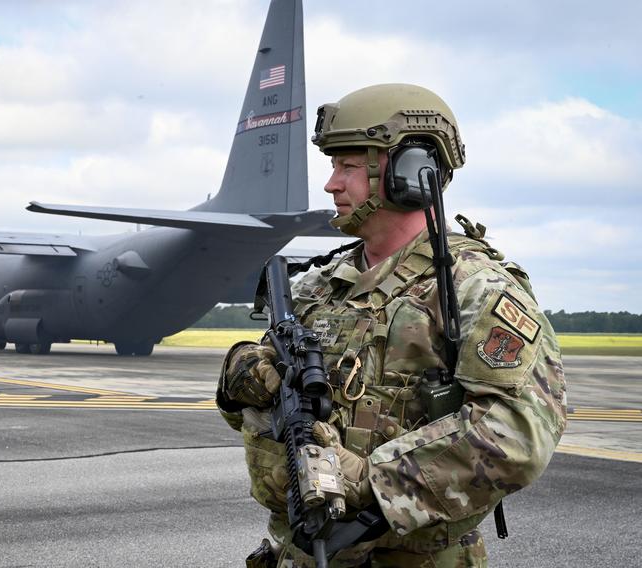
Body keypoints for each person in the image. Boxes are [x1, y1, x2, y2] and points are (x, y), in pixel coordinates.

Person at [216, 84, 567, 567]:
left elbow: (518, 434)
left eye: (349, 166)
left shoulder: (474, 288)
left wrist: (367, 478)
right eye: (332, 167)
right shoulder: (314, 287)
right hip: (295, 548)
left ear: (409, 172)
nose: (331, 184)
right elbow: (254, 416)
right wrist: (239, 383)